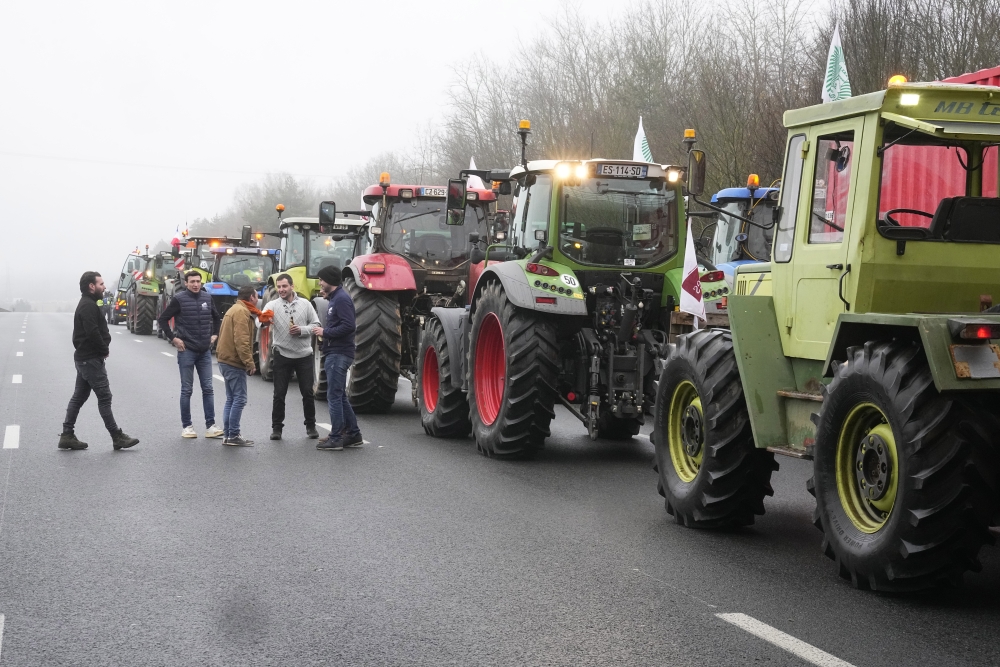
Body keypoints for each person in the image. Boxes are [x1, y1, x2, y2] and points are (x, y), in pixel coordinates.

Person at [59, 271, 139, 451]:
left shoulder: (92, 303)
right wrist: (104, 349)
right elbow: (92, 331)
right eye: (101, 284)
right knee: (104, 397)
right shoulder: (87, 305)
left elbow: (98, 317)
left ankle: (67, 435)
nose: (104, 287)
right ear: (91, 286)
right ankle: (117, 436)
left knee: (79, 397)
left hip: (85, 359)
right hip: (90, 359)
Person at [158, 271, 224, 439]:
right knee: (187, 389)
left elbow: (217, 318)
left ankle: (211, 426)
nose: (195, 284)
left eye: (198, 281)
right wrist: (174, 339)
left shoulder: (207, 298)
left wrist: (215, 334)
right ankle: (187, 426)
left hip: (204, 352)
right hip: (186, 351)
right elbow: (163, 319)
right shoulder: (179, 299)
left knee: (208, 389)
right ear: (186, 283)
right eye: (192, 282)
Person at [262, 273, 321, 440]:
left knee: (307, 393)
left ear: (292, 286)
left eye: (284, 287)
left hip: (304, 355)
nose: (281, 290)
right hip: (282, 354)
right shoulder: (273, 304)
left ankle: (310, 426)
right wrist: (264, 321)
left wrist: (302, 330)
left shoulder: (306, 304)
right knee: (279, 394)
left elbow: (316, 325)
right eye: (279, 287)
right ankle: (277, 429)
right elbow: (261, 320)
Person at [312, 266, 363, 451]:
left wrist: (325, 332)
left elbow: (349, 326)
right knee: (339, 395)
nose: (320, 283)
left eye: (321, 280)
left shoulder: (341, 299)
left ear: (330, 281)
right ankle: (353, 433)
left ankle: (336, 437)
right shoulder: (336, 298)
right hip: (336, 352)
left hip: (339, 353)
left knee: (333, 395)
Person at [216, 285, 259, 446]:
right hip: (234, 361)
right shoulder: (242, 312)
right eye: (256, 296)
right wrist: (249, 363)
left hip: (225, 359)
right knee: (239, 399)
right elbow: (242, 341)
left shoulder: (234, 309)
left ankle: (228, 435)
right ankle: (233, 434)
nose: (257, 299)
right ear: (251, 297)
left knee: (231, 399)